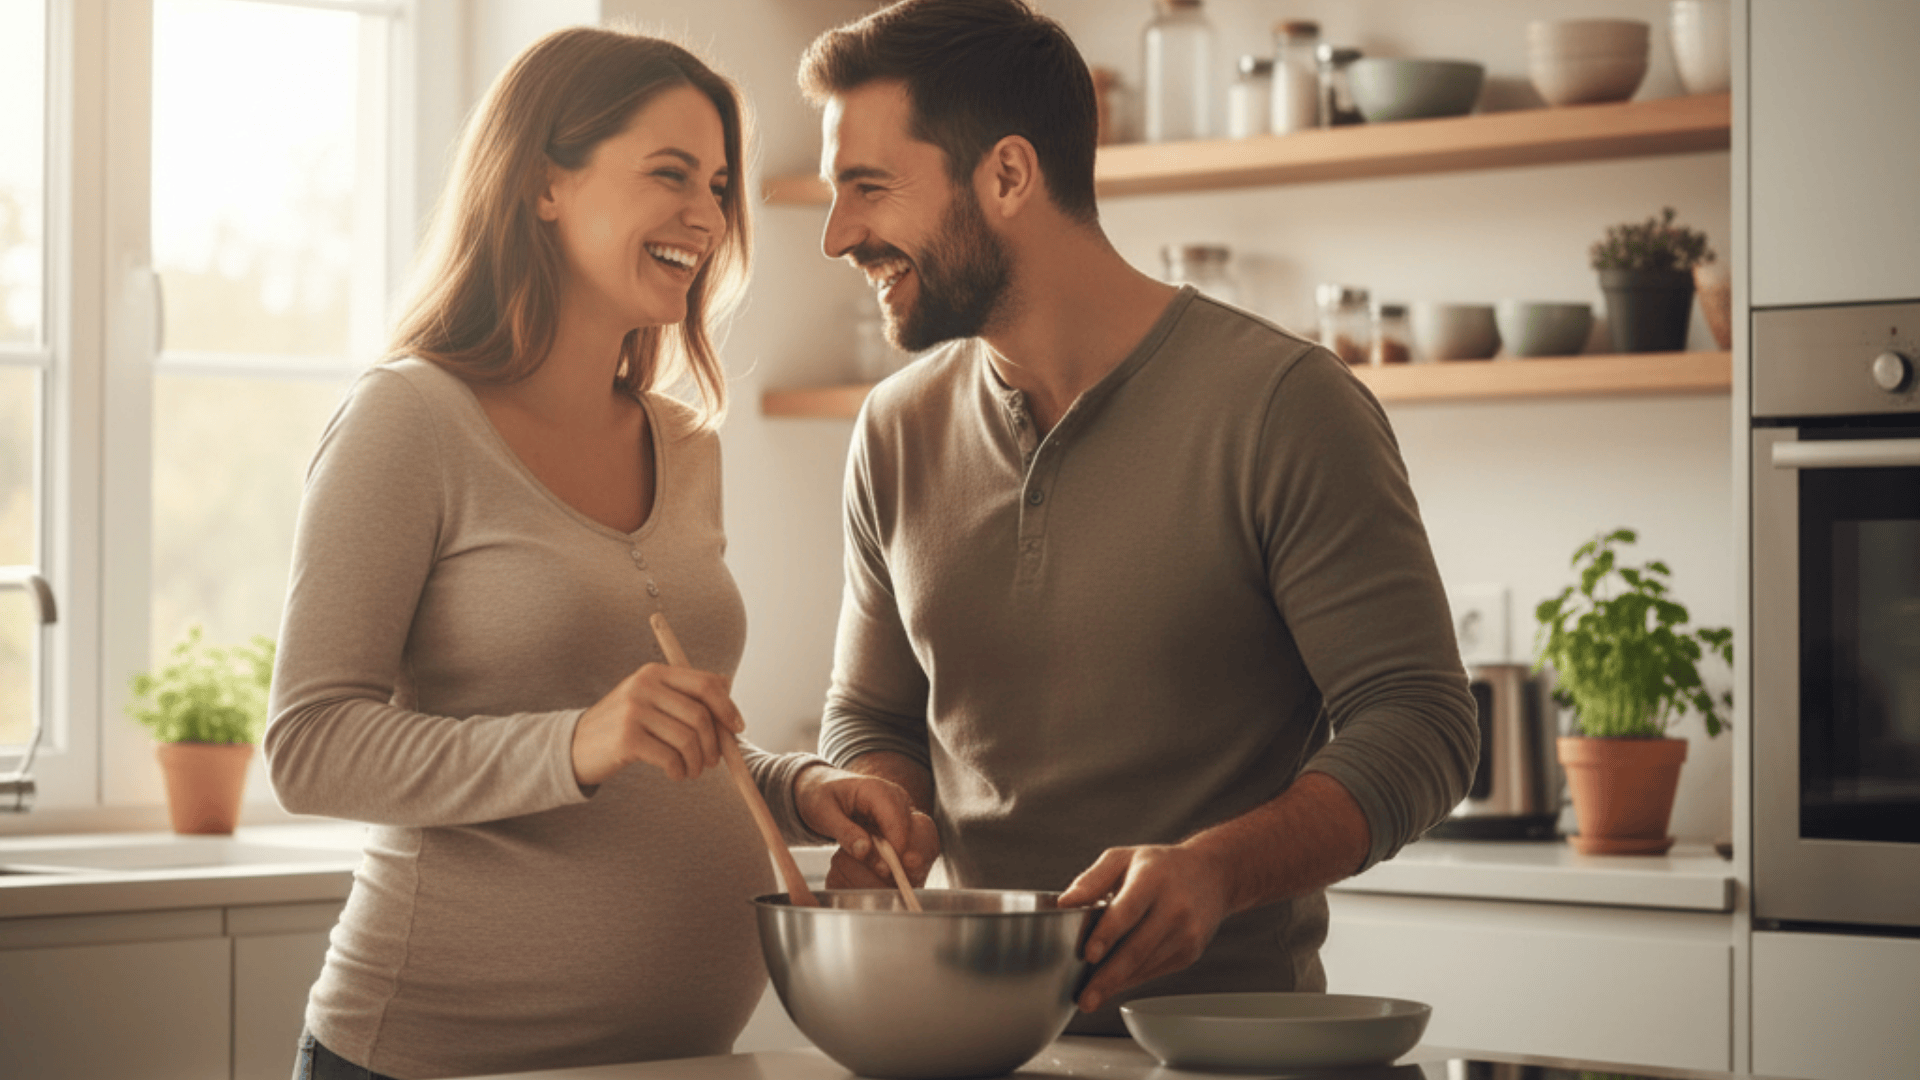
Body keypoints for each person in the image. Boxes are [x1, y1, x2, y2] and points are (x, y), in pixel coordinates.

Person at [799, 0, 1480, 1036]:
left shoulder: (1285, 404)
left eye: (868, 188)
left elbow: (1421, 724)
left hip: (1227, 1052)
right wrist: (886, 804)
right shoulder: (895, 429)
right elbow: (875, 717)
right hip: (973, 1042)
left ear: (1010, 176)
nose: (839, 234)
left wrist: (1216, 871)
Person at [266, 27, 913, 1080]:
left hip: (681, 1056)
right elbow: (311, 745)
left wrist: (798, 790)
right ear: (542, 185)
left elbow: (661, 744)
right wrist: (576, 742)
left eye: (716, 184)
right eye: (669, 174)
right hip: (434, 1059)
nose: (707, 216)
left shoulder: (686, 445)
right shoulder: (409, 419)